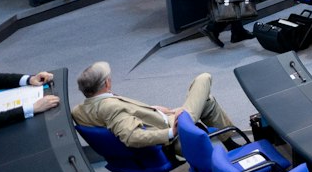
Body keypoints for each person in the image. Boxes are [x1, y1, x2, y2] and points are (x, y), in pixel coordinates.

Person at [72, 62, 245, 156]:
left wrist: (155, 110)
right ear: (106, 83)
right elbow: (131, 137)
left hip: (164, 119)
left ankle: (230, 144)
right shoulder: (111, 107)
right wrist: (171, 132)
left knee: (207, 102)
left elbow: (125, 115)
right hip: (176, 134)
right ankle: (227, 142)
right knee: (203, 79)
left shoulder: (80, 110)